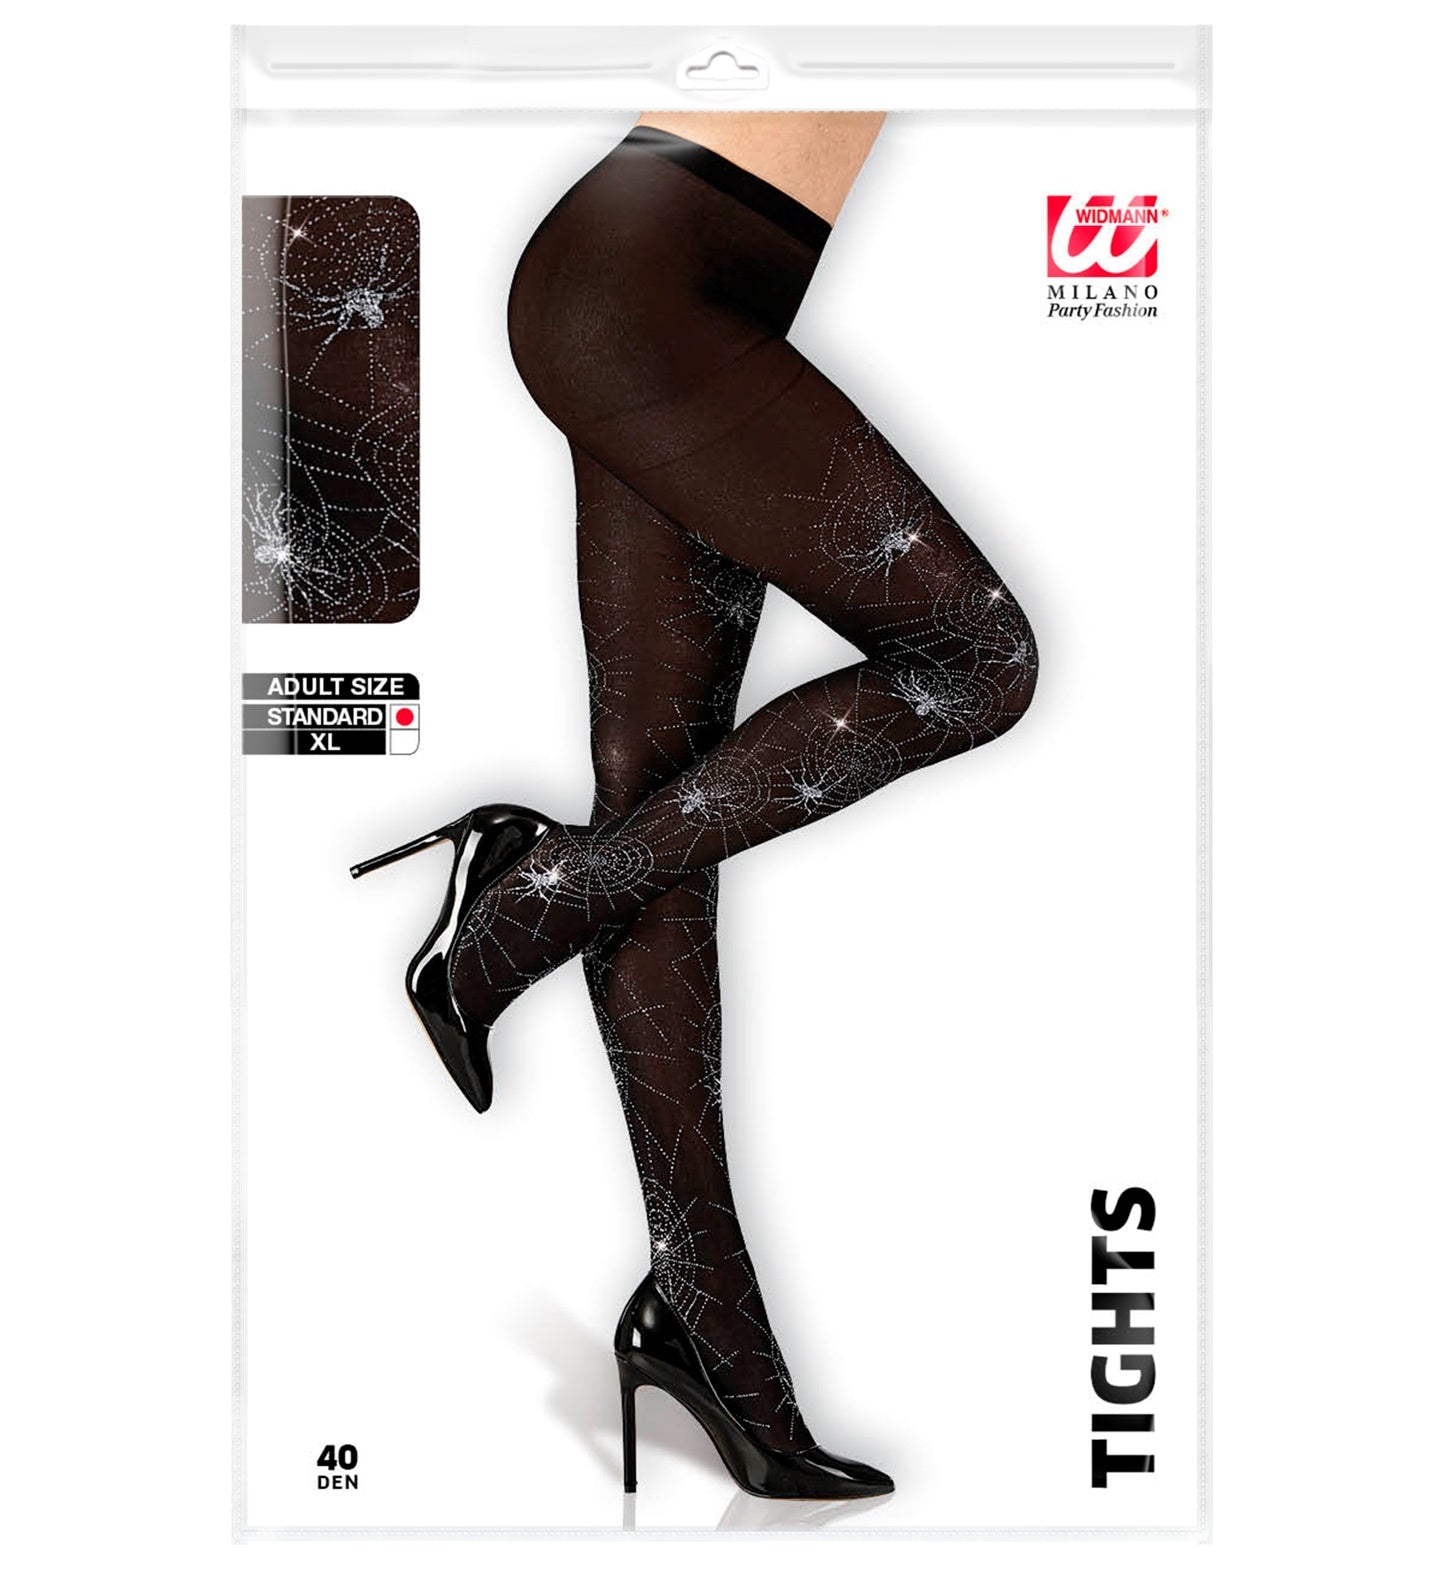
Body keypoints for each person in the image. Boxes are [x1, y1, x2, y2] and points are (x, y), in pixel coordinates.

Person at [354, 113, 1038, 1500]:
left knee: (661, 817)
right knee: (976, 662)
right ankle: (524, 908)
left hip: (658, 294)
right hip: (644, 303)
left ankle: (705, 1320)